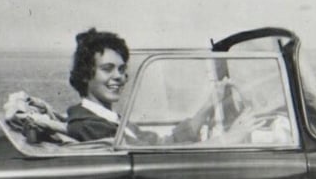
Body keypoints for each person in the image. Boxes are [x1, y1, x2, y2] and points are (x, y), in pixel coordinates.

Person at [65, 28, 258, 144]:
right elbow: (155, 157)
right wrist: (230, 139)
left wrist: (209, 104)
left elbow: (162, 144)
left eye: (122, 69)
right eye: (108, 69)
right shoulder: (89, 125)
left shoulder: (110, 119)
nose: (119, 76)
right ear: (85, 75)